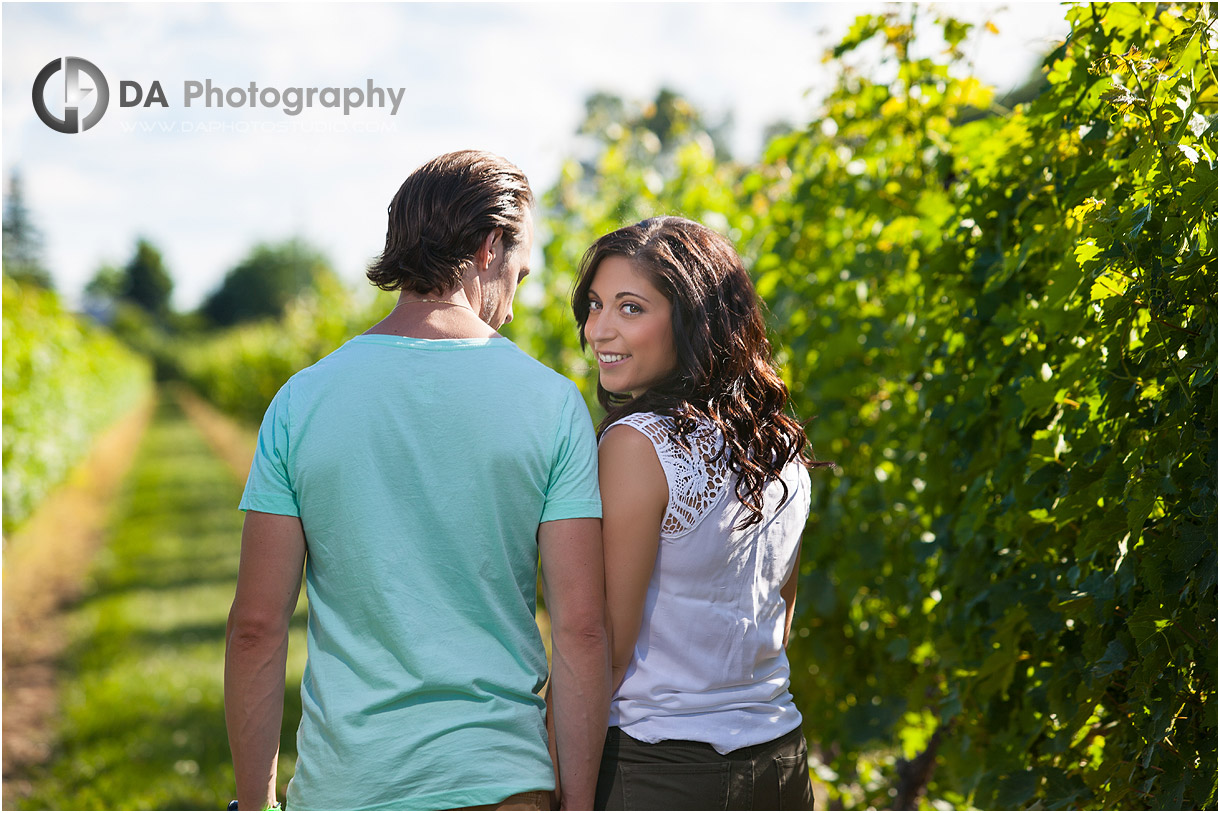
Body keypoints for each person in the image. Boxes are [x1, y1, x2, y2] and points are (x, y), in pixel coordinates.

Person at [225, 150, 610, 812]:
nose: (514, 308)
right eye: (520, 274)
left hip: (349, 787)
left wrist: (255, 804)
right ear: (491, 247)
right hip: (502, 780)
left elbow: (257, 626)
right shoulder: (551, 403)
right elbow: (580, 628)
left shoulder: (301, 401)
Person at [570, 216, 823, 810]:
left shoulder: (639, 444)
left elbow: (602, 646)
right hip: (781, 763)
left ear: (693, 321)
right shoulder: (781, 448)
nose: (600, 329)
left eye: (631, 308)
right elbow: (779, 622)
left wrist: (558, 785)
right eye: (595, 304)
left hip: (661, 771)